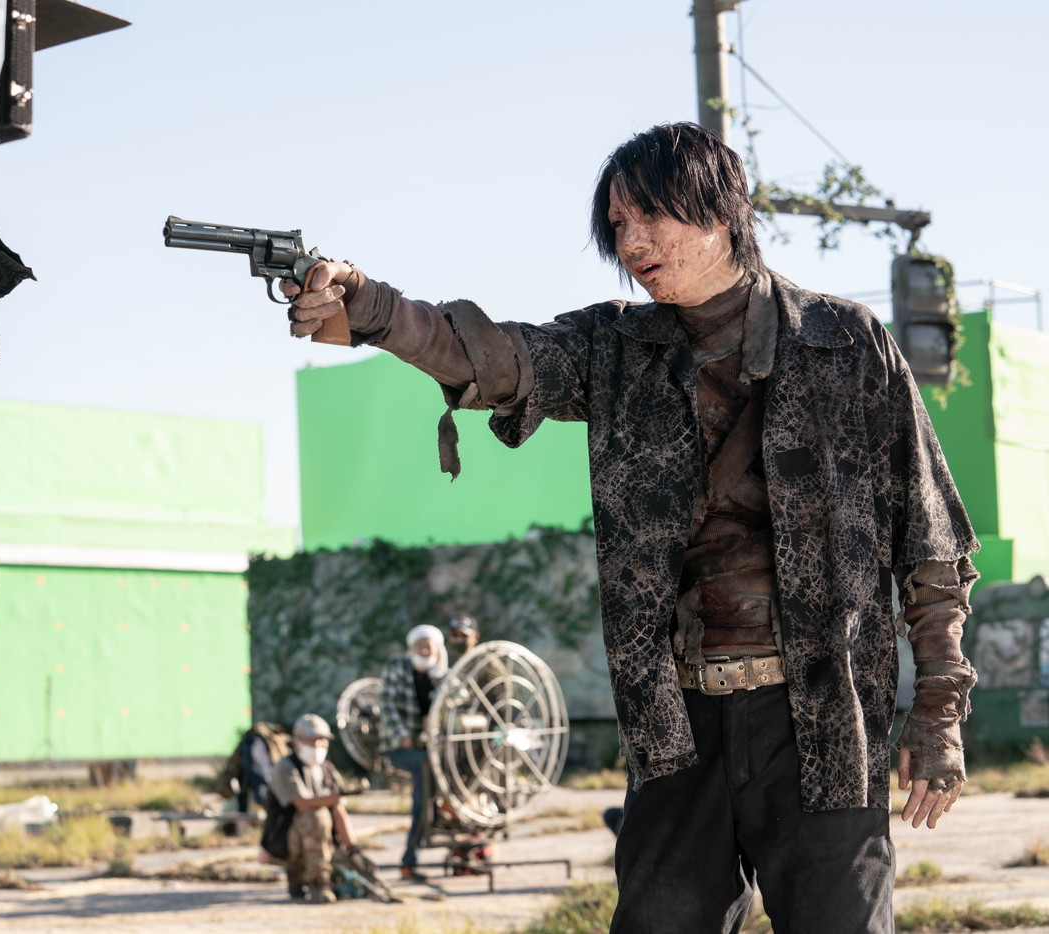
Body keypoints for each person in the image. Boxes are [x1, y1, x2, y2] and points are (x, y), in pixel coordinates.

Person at [283, 122, 978, 933]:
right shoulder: (615, 347)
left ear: (720, 211)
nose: (631, 242)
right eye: (617, 225)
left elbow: (930, 544)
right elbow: (494, 357)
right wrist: (370, 307)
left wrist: (939, 710)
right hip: (675, 725)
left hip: (823, 725)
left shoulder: (845, 343)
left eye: (650, 216)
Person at [265, 713, 358, 904]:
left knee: (353, 872)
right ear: (296, 742)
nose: (317, 746)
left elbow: (338, 812)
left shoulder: (327, 769)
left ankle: (306, 875)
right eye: (312, 740)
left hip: (323, 842)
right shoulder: (286, 767)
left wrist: (354, 850)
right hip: (286, 842)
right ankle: (317, 881)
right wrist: (338, 795)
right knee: (317, 814)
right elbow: (303, 803)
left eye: (322, 740)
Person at [380, 624, 448, 882]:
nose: (425, 650)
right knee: (425, 776)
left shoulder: (442, 675)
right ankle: (411, 858)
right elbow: (387, 705)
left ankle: (442, 813)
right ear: (411, 647)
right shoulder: (397, 668)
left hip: (435, 751)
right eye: (420, 645)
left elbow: (457, 702)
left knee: (448, 768)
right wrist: (403, 736)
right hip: (400, 749)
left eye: (429, 646)